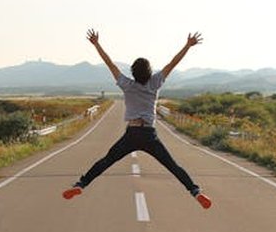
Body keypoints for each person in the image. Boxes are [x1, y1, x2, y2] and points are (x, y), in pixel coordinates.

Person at [63, 29, 212, 209]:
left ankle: (81, 184)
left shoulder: (127, 85)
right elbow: (173, 63)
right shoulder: (155, 83)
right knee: (172, 165)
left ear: (133, 72)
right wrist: (188, 45)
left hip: (132, 133)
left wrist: (97, 44)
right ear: (149, 72)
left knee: (106, 161)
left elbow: (109, 63)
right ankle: (195, 191)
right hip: (149, 134)